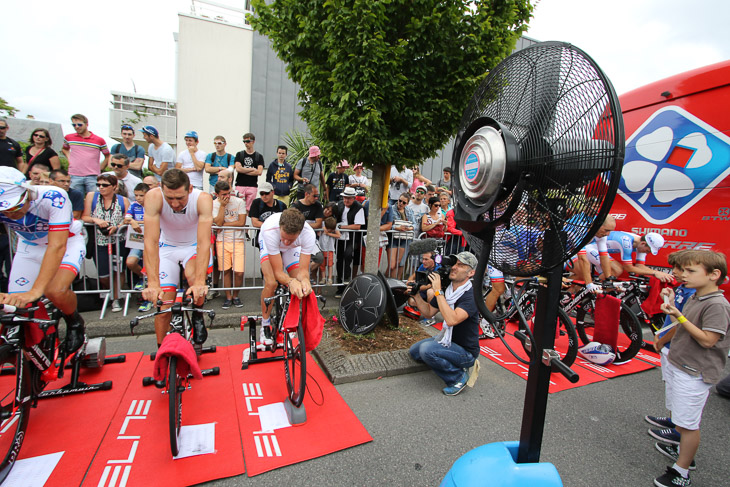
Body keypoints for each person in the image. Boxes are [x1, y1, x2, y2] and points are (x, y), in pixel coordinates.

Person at [652, 250, 730, 487]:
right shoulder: (697, 296)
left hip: (694, 371)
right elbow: (683, 324)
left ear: (714, 275)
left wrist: (679, 316)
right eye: (683, 270)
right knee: (681, 419)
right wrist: (672, 309)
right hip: (681, 363)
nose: (683, 275)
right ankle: (682, 454)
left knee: (688, 425)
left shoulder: (718, 304)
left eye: (690, 271)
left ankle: (682, 471)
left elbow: (708, 340)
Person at [0, 167, 87, 354]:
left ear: (26, 193)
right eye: (3, 210)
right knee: (14, 305)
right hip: (29, 247)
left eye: (14, 207)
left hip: (67, 242)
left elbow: (57, 246)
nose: (10, 214)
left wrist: (36, 291)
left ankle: (74, 322)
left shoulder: (53, 196)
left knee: (54, 290)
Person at [141, 169, 213, 347]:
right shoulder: (153, 197)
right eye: (169, 198)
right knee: (164, 305)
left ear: (190, 189)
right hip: (167, 248)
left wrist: (199, 282)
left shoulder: (202, 199)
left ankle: (197, 312)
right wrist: (152, 283)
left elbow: (204, 243)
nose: (174, 204)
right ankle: (161, 350)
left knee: (193, 277)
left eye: (180, 198)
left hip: (193, 246)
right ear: (162, 189)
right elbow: (150, 241)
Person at [408, 251, 481, 396]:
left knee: (427, 350)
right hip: (447, 341)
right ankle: (446, 359)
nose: (454, 267)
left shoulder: (471, 295)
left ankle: (457, 377)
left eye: (460, 265)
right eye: (454, 264)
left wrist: (437, 291)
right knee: (415, 352)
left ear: (471, 273)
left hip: (465, 351)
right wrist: (416, 295)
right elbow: (428, 312)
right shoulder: (448, 290)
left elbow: (451, 320)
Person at [645, 251, 695, 444]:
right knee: (671, 385)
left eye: (682, 269)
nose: (676, 272)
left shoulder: (694, 294)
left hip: (675, 346)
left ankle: (679, 430)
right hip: (669, 345)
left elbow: (682, 324)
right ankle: (674, 419)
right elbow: (674, 316)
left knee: (680, 389)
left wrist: (662, 339)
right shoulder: (683, 288)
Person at [258, 208, 317, 345]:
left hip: (293, 249)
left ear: (300, 233)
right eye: (284, 237)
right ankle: (265, 323)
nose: (285, 242)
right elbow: (279, 273)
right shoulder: (270, 230)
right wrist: (290, 282)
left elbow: (303, 272)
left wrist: (305, 281)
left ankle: (290, 319)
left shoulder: (308, 234)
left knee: (299, 282)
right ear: (280, 227)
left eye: (290, 239)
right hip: (269, 245)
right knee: (272, 283)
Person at [82, 173, 129, 312]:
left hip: (118, 240)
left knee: (118, 270)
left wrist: (117, 227)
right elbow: (84, 216)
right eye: (99, 185)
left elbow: (127, 218)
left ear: (114, 187)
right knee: (103, 274)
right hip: (100, 241)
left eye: (104, 185)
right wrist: (96, 220)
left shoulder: (123, 200)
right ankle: (109, 293)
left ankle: (116, 298)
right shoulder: (92, 197)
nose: (100, 188)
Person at [585, 230, 674, 282]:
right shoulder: (626, 242)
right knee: (617, 269)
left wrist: (659, 273)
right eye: (648, 251)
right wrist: (655, 273)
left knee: (610, 281)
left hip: (600, 250)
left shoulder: (641, 245)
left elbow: (640, 266)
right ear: (643, 243)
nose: (647, 253)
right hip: (590, 247)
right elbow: (628, 268)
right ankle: (590, 292)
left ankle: (589, 296)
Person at [212, 180, 246, 309]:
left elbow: (241, 222)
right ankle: (228, 297)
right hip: (222, 241)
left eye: (229, 193)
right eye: (224, 195)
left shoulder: (239, 202)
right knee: (225, 271)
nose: (227, 197)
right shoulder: (214, 204)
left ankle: (236, 295)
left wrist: (223, 225)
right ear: (217, 194)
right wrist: (222, 206)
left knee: (239, 272)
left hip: (237, 241)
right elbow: (217, 224)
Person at [62, 114, 110, 194]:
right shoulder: (69, 138)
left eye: (80, 124)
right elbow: (64, 149)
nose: (77, 127)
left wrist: (100, 168)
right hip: (74, 174)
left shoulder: (99, 140)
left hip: (92, 175)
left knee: (94, 199)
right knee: (76, 199)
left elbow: (107, 156)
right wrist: (69, 158)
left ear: (86, 124)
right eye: (74, 125)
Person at [123, 183, 152, 312]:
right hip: (137, 241)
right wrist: (133, 221)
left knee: (150, 268)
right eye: (136, 195)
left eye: (141, 195)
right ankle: (142, 277)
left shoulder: (153, 205)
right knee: (130, 262)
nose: (138, 198)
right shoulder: (134, 205)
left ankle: (148, 300)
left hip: (152, 241)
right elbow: (126, 218)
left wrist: (137, 222)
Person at [335, 187, 365, 296]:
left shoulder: (358, 208)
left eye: (349, 198)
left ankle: (346, 281)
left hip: (352, 238)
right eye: (345, 198)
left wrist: (342, 226)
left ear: (354, 198)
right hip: (340, 237)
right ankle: (339, 286)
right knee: (339, 259)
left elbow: (358, 226)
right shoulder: (339, 205)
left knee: (347, 257)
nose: (346, 201)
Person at [248, 182, 287, 246]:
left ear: (272, 192)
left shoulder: (282, 205)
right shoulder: (257, 203)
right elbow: (255, 222)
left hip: (277, 239)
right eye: (261, 194)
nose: (264, 196)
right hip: (262, 239)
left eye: (266, 193)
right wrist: (273, 226)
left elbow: (285, 223)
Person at [234, 132, 265, 212]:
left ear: (253, 141)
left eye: (248, 141)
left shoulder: (258, 156)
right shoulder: (240, 154)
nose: (246, 143)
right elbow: (238, 169)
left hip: (252, 186)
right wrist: (252, 169)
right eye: (244, 142)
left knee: (249, 209)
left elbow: (259, 172)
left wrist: (243, 170)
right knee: (238, 207)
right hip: (240, 185)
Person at [389, 194, 415, 279]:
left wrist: (410, 228)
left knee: (399, 263)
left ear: (407, 204)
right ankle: (386, 281)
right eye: (400, 200)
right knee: (392, 265)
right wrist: (396, 228)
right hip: (393, 238)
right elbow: (388, 224)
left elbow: (415, 224)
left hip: (405, 238)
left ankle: (395, 284)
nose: (400, 203)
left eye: (404, 202)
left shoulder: (409, 210)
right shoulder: (392, 209)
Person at [318, 216, 340, 285]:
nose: (330, 230)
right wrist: (323, 229)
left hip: (330, 249)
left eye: (331, 230)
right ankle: (323, 278)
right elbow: (318, 233)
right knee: (322, 264)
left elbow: (339, 235)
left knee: (330, 264)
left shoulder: (334, 228)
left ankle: (330, 279)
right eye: (329, 229)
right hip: (322, 248)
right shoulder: (323, 226)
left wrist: (329, 233)